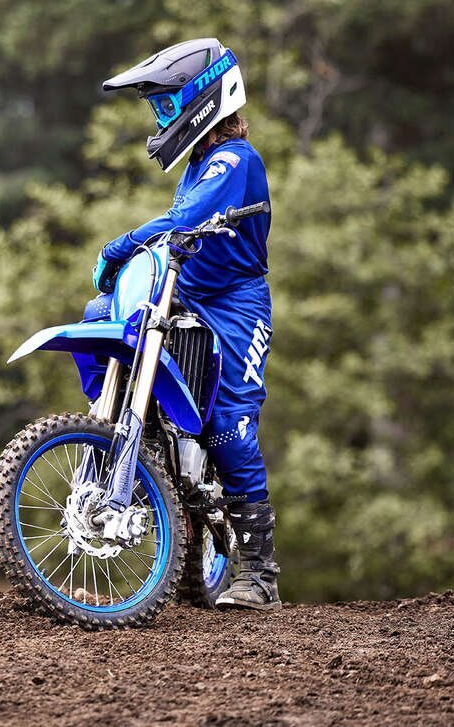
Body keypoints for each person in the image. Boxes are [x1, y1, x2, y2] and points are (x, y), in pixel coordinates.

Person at [93, 39, 280, 610]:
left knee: (228, 425)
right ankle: (113, 427)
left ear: (203, 99)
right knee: (101, 319)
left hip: (236, 305)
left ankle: (259, 573)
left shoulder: (235, 160)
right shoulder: (199, 162)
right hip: (185, 293)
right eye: (157, 107)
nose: (160, 117)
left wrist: (122, 245)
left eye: (166, 105)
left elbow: (186, 219)